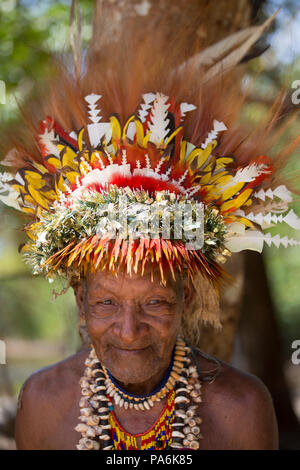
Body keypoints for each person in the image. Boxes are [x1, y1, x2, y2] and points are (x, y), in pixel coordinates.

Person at [1, 13, 299, 450]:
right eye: (106, 302)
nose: (128, 329)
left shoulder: (242, 408)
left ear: (188, 298)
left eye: (155, 302)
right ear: (80, 300)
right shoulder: (43, 402)